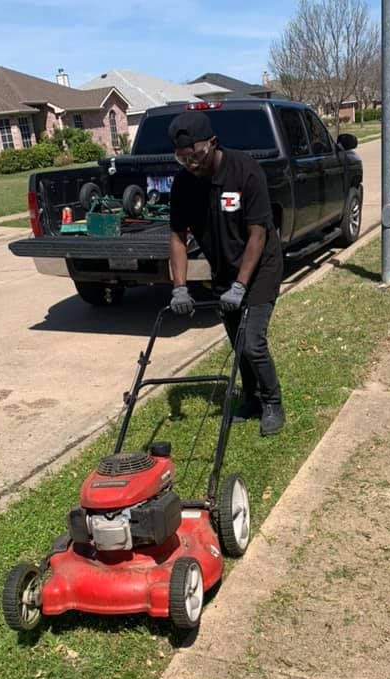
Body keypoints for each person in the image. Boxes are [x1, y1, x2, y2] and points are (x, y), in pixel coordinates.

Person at [167, 110, 285, 436]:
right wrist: (179, 287)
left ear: (213, 143)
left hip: (259, 267)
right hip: (222, 270)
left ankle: (273, 402)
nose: (191, 164)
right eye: (182, 159)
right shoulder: (184, 183)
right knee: (237, 343)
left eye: (196, 156)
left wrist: (240, 285)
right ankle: (250, 399)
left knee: (252, 343)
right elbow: (177, 236)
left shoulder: (245, 171)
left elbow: (258, 233)